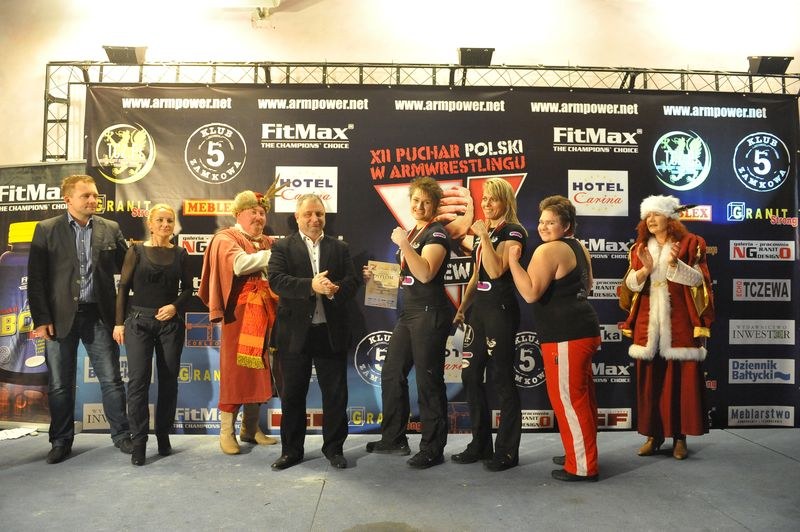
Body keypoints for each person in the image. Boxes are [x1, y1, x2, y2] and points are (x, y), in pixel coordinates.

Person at [27, 174, 132, 464]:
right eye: (86, 195)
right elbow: (36, 279)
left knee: (111, 380)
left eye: (95, 195)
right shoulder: (46, 229)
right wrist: (41, 319)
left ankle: (122, 435)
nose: (92, 200)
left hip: (99, 315)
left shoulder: (111, 228)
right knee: (60, 384)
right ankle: (61, 441)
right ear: (68, 200)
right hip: (58, 318)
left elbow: (130, 267)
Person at [509, 195, 601, 482]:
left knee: (569, 401)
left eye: (551, 222)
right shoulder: (579, 246)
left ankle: (582, 466)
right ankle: (579, 453)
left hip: (566, 335)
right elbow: (589, 286)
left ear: (566, 226)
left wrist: (512, 262)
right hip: (583, 328)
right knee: (581, 399)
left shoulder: (547, 250)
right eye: (541, 222)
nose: (543, 227)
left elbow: (530, 293)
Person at [365, 176, 453, 469]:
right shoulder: (415, 232)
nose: (420, 206)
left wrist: (403, 243)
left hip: (430, 313)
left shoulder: (437, 233)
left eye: (426, 202)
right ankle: (394, 438)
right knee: (392, 373)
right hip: (410, 312)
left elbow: (425, 273)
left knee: (428, 381)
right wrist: (377, 279)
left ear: (435, 206)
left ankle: (432, 448)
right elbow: (407, 275)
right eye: (416, 200)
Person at [618, 195, 714, 460]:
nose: (650, 220)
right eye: (647, 215)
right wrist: (645, 270)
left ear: (670, 218)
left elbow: (701, 282)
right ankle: (654, 436)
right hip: (648, 325)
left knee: (680, 383)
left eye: (656, 214)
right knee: (651, 383)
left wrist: (675, 265)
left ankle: (679, 438)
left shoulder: (692, 243)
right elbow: (629, 287)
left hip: (679, 324)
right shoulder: (640, 247)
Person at [267, 194, 359, 470]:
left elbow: (352, 282)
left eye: (319, 214)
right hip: (295, 334)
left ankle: (334, 449)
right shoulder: (282, 247)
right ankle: (291, 451)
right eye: (308, 214)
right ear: (297, 217)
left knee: (335, 395)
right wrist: (311, 286)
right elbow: (276, 281)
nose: (314, 219)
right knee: (293, 395)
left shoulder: (340, 248)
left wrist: (335, 290)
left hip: (330, 332)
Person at [452, 178, 526, 471]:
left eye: (492, 199)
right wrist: (462, 308)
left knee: (502, 379)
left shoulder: (514, 231)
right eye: (484, 199)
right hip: (479, 312)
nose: (486, 204)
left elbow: (495, 272)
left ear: (506, 201)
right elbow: (477, 276)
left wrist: (482, 236)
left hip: (501, 310)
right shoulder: (489, 231)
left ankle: (507, 452)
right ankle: (480, 444)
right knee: (470, 375)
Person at [198, 190, 279, 455]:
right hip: (240, 315)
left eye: (262, 212)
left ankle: (250, 428)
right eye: (252, 211)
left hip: (266, 312)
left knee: (259, 368)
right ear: (238, 213)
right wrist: (276, 255)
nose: (258, 217)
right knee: (236, 371)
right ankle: (226, 431)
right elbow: (240, 265)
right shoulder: (226, 238)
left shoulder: (267, 241)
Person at [113, 204, 192, 466]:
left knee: (169, 381)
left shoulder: (181, 253)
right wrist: (118, 323)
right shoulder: (135, 251)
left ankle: (163, 436)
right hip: (138, 322)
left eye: (169, 220)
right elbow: (123, 287)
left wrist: (174, 307)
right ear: (150, 223)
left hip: (170, 324)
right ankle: (139, 443)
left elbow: (188, 289)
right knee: (138, 382)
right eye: (160, 220)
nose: (165, 225)